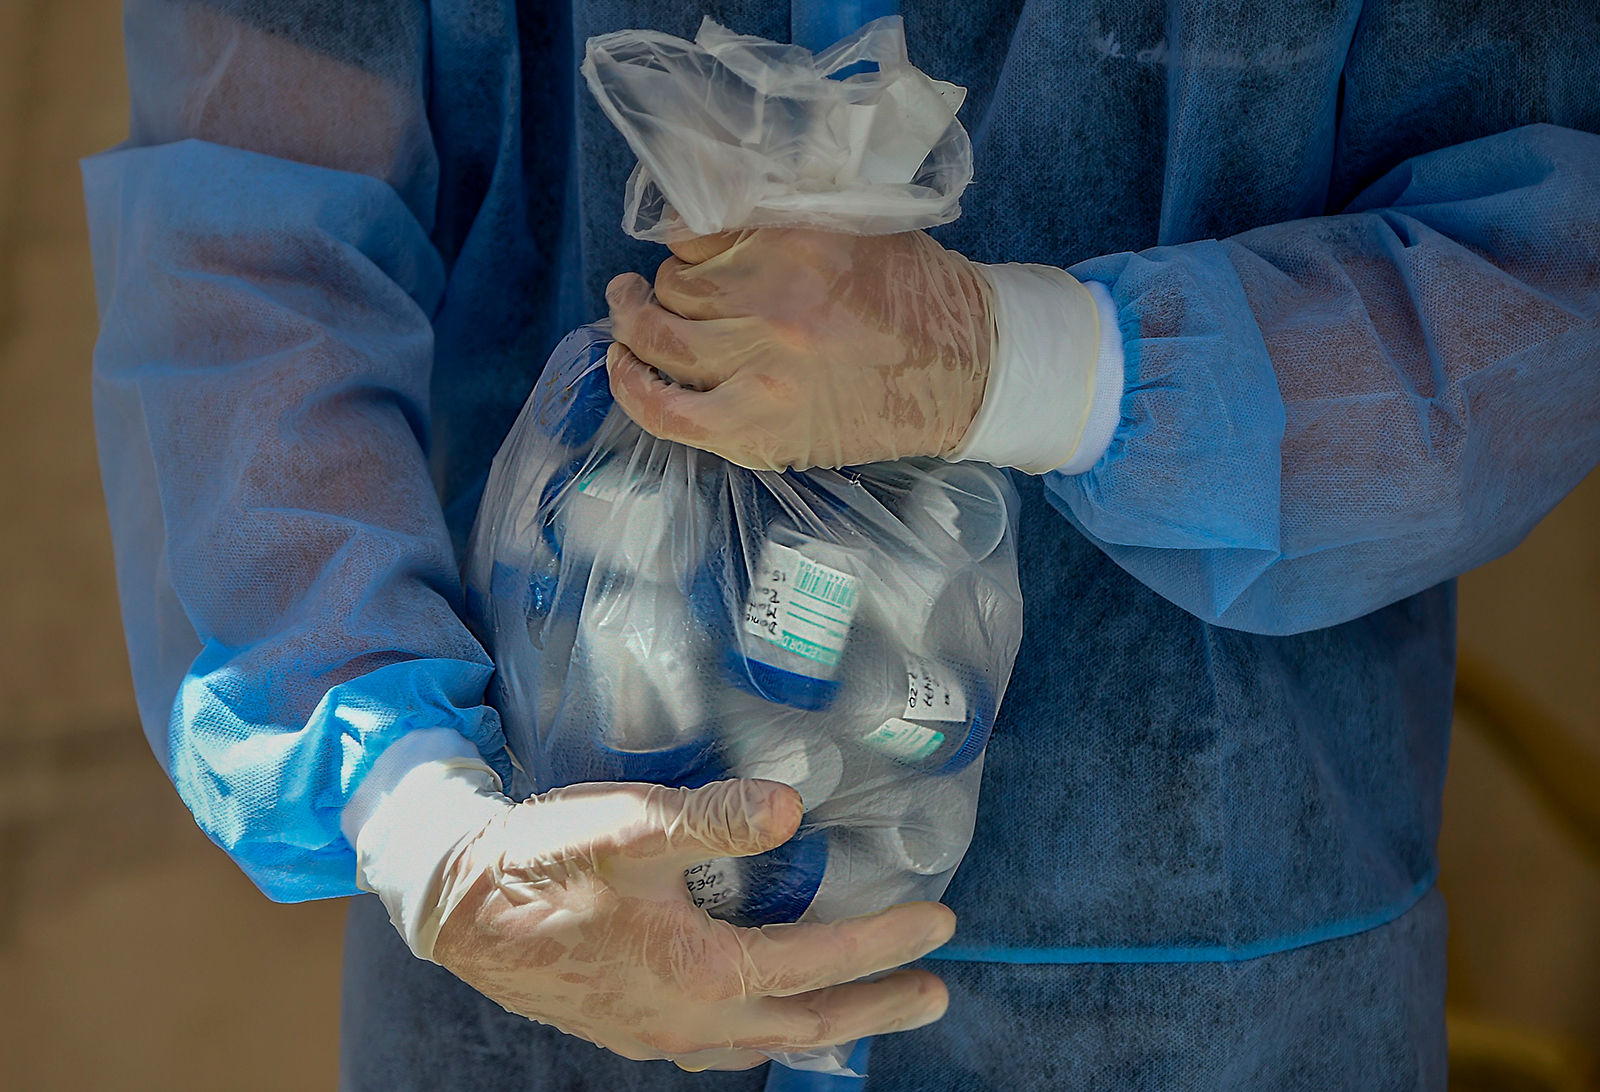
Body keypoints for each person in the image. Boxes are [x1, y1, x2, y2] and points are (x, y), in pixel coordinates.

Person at [82, 1, 1600, 1089]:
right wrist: (423, 824)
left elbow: (1542, 283)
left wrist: (1026, 360)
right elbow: (246, 263)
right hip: (549, 992)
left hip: (1187, 1016)